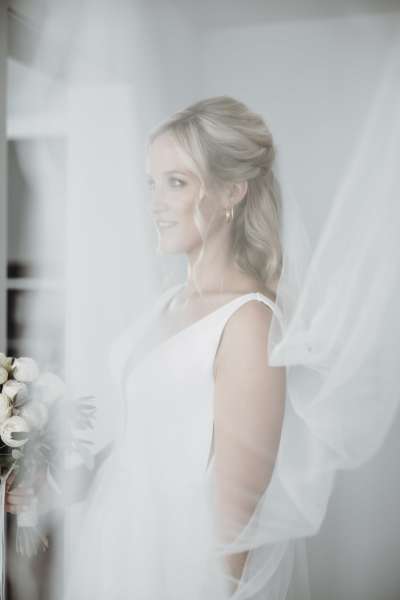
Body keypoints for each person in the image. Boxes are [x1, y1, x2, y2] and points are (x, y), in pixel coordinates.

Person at [60, 96, 294, 600]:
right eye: (152, 183)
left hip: (176, 571)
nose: (155, 203)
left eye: (177, 182)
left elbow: (236, 524)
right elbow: (148, 436)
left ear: (232, 190)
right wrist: (57, 481)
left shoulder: (247, 324)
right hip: (116, 550)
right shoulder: (169, 302)